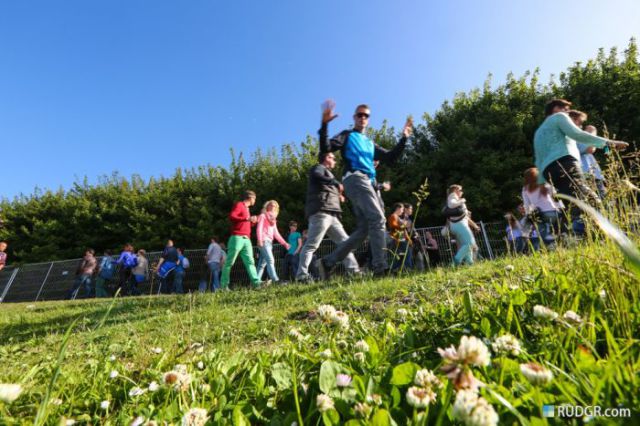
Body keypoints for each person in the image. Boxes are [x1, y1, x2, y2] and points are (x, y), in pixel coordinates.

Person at [316, 101, 412, 278]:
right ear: (354, 117)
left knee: (365, 229)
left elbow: (390, 157)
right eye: (359, 114)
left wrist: (404, 138)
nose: (362, 118)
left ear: (368, 119)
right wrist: (325, 124)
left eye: (365, 115)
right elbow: (326, 148)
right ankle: (380, 268)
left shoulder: (370, 143)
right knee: (378, 218)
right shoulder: (347, 135)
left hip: (370, 183)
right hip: (355, 179)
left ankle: (327, 262)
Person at [533, 99, 628, 235]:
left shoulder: (538, 133)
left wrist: (542, 183)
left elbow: (539, 159)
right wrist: (609, 143)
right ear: (555, 109)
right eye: (566, 109)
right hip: (565, 163)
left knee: (572, 205)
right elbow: (577, 134)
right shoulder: (559, 117)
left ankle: (575, 236)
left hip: (550, 172)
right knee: (591, 200)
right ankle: (611, 234)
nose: (568, 113)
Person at [296, 152, 361, 282]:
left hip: (331, 214)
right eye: (333, 158)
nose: (335, 160)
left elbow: (327, 188)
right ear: (326, 158)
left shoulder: (328, 174)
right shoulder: (318, 168)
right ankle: (301, 275)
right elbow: (317, 176)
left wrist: (339, 195)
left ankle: (354, 272)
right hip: (320, 213)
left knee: (345, 243)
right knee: (311, 245)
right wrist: (336, 183)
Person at [220, 190, 262, 290]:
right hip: (236, 238)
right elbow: (232, 216)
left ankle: (257, 284)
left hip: (246, 239)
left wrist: (253, 222)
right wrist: (247, 218)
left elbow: (245, 222)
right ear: (251, 198)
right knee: (229, 262)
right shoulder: (239, 205)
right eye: (255, 198)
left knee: (250, 262)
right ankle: (224, 286)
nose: (255, 201)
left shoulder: (247, 209)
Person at [522, 167, 564, 247]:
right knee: (560, 230)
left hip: (539, 215)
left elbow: (527, 205)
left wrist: (529, 217)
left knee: (543, 234)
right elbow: (556, 197)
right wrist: (562, 208)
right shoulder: (545, 184)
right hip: (553, 212)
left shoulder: (525, 189)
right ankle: (560, 243)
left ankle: (550, 245)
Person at [256, 200, 290, 284]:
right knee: (270, 260)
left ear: (277, 209)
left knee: (262, 264)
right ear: (267, 207)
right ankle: (276, 280)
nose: (273, 207)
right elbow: (259, 229)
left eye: (275, 206)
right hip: (263, 241)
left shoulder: (273, 220)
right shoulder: (263, 216)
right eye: (271, 205)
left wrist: (284, 243)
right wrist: (260, 240)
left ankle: (255, 282)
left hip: (269, 243)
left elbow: (276, 234)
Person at [445, 185, 477, 266]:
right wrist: (462, 200)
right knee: (470, 243)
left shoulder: (453, 197)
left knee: (466, 244)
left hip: (458, 225)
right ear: (455, 190)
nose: (461, 192)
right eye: (460, 190)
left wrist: (474, 225)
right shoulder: (452, 196)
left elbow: (464, 216)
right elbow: (452, 204)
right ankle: (455, 262)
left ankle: (469, 263)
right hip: (460, 225)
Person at [578, 125, 607, 199]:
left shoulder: (584, 141)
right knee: (595, 202)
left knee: (604, 200)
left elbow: (606, 149)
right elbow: (591, 149)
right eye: (589, 132)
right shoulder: (578, 140)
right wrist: (593, 135)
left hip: (596, 176)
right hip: (586, 176)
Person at [388, 203, 413, 272]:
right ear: (398, 209)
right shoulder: (393, 216)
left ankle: (393, 270)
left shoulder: (397, 217)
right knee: (407, 254)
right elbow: (393, 226)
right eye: (402, 209)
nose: (402, 211)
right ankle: (408, 268)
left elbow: (403, 230)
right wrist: (404, 225)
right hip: (398, 239)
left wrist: (409, 239)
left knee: (400, 256)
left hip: (401, 239)